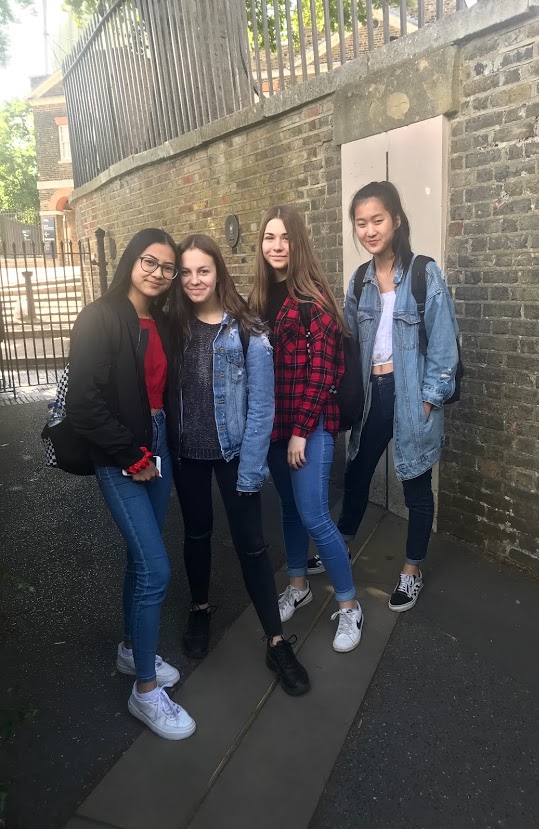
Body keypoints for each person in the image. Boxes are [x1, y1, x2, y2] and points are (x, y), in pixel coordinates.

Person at [65, 228, 196, 740]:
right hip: (122, 453)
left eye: (168, 267)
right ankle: (145, 691)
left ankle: (130, 650)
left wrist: (157, 449)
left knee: (141, 561)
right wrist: (133, 455)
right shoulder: (99, 316)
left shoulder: (161, 320)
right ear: (131, 261)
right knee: (156, 569)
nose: (159, 273)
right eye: (150, 262)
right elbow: (84, 404)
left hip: (156, 443)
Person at [166, 233, 310, 696]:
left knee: (252, 547)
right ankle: (200, 609)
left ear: (218, 273)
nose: (194, 280)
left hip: (233, 456)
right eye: (185, 272)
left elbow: (262, 407)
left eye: (203, 270)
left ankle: (276, 641)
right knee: (196, 534)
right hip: (187, 454)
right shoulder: (173, 326)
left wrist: (250, 471)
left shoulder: (247, 329)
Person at [336, 181, 459, 612]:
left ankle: (411, 570)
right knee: (356, 474)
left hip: (410, 394)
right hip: (373, 394)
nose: (369, 230)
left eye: (377, 220)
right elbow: (349, 343)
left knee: (416, 486)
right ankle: (339, 547)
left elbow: (444, 347)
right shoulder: (360, 281)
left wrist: (429, 399)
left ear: (396, 220)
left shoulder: (424, 274)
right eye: (361, 223)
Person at [250, 206, 364, 653]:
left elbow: (323, 372)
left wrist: (301, 430)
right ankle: (298, 585)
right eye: (269, 237)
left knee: (315, 514)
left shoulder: (311, 298)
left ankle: (350, 605)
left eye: (285, 238)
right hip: (275, 427)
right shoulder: (260, 298)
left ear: (298, 243)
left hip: (308, 427)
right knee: (289, 510)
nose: (276, 246)